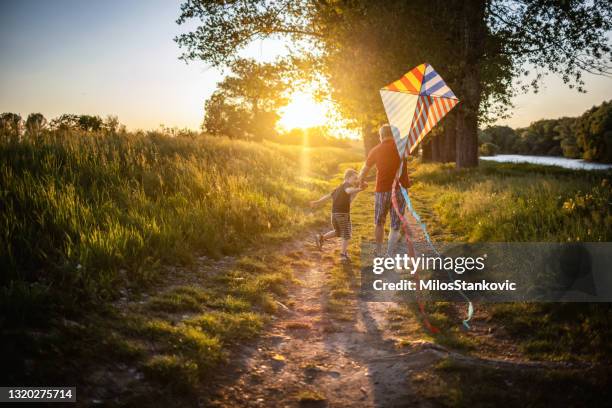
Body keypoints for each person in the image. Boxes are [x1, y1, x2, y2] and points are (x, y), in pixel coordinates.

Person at [358, 124, 410, 256]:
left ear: (381, 135)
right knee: (395, 224)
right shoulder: (402, 149)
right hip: (400, 190)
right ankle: (390, 252)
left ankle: (379, 250)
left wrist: (360, 181)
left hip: (382, 190)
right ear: (395, 135)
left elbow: (365, 169)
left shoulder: (376, 150)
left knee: (379, 221)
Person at [310, 168, 367, 262]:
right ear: (347, 178)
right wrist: (359, 188)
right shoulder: (346, 186)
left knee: (338, 232)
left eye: (357, 178)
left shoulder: (337, 189)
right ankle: (343, 254)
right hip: (342, 214)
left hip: (334, 214)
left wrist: (317, 202)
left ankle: (321, 238)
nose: (356, 180)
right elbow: (349, 191)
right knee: (346, 234)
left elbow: (328, 196)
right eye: (354, 178)